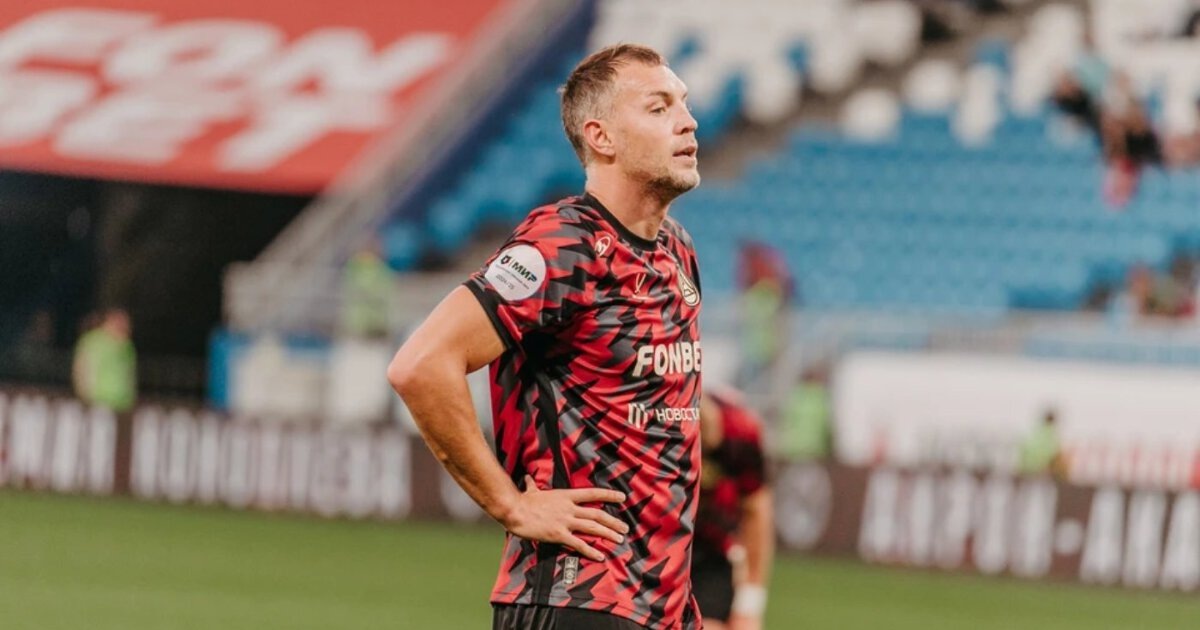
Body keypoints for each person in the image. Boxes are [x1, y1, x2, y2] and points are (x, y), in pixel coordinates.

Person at [388, 43, 703, 630]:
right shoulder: (563, 244)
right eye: (659, 108)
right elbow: (421, 364)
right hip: (577, 596)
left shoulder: (676, 251)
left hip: (662, 604)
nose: (688, 121)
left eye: (683, 103)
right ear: (601, 137)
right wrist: (510, 505)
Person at [694, 388, 774, 630]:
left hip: (711, 552)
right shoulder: (653, 425)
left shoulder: (741, 432)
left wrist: (750, 602)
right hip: (660, 545)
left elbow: (756, 511)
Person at [72, 308, 137, 412]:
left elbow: (130, 375)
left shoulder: (128, 346)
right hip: (97, 402)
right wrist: (85, 397)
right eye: (121, 322)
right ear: (110, 320)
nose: (126, 327)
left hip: (122, 406)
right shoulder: (92, 340)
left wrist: (130, 400)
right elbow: (81, 369)